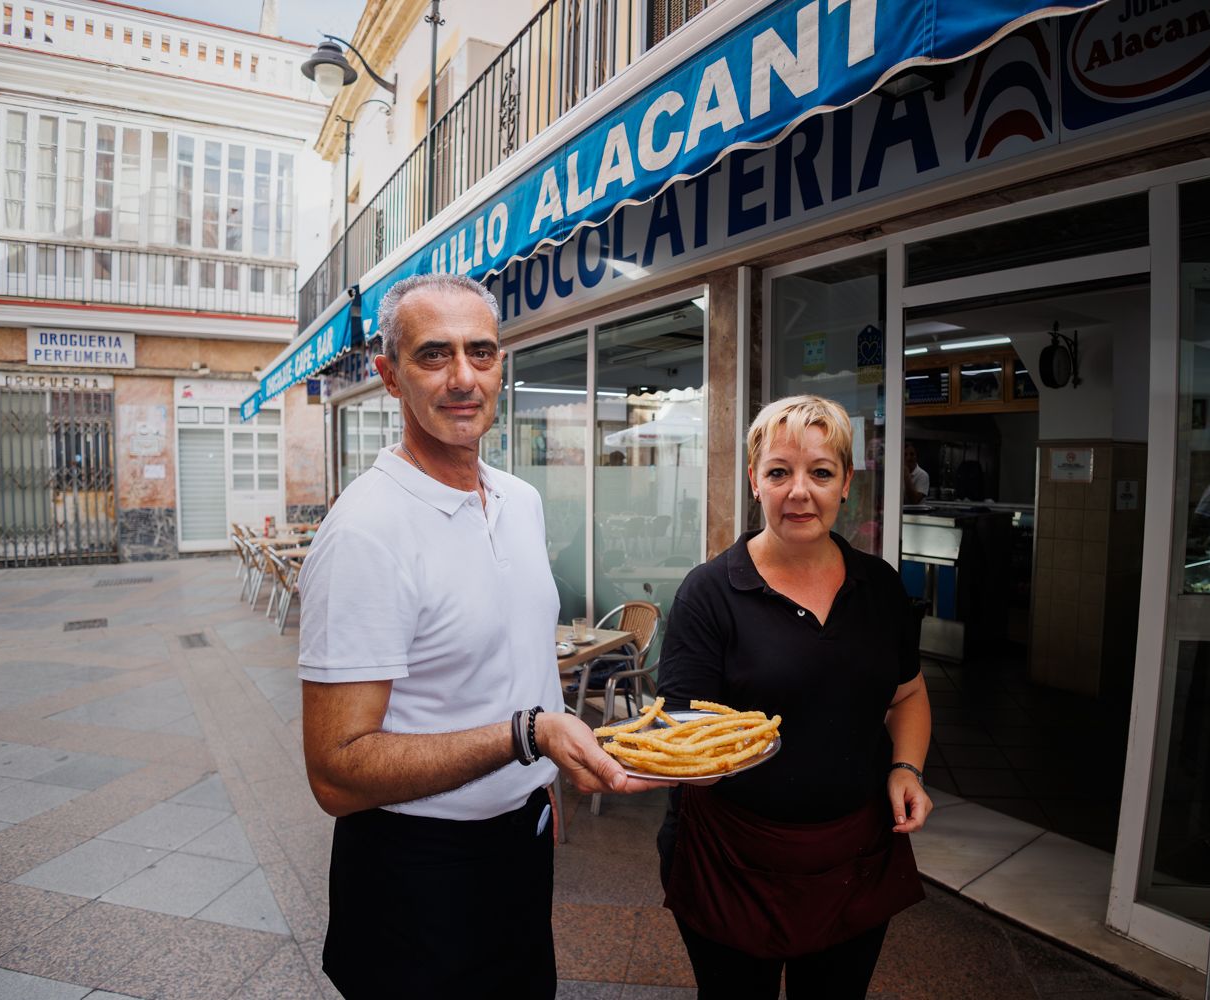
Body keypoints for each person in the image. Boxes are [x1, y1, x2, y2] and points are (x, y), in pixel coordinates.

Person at [296, 273, 664, 1000]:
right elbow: (337, 773)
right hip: (414, 872)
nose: (463, 377)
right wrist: (528, 737)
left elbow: (515, 664)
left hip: (520, 848)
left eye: (481, 352)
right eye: (434, 355)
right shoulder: (366, 531)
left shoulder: (520, 502)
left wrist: (539, 787)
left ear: (502, 365)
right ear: (389, 377)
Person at [655, 394, 933, 999]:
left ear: (845, 483)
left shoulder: (880, 587)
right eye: (779, 471)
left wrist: (906, 768)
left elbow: (908, 693)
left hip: (853, 855)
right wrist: (686, 765)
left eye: (820, 472)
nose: (799, 491)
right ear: (755, 480)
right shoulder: (711, 593)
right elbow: (679, 727)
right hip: (732, 856)